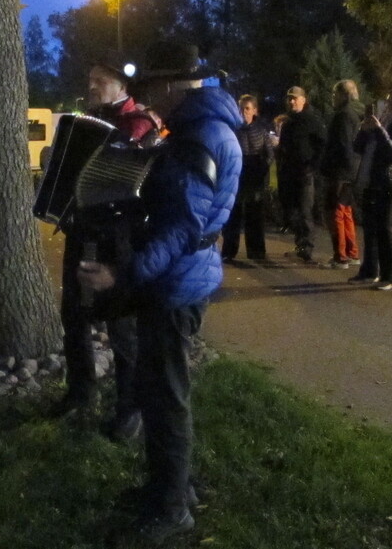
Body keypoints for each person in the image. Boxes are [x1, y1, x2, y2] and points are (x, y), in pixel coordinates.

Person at [78, 40, 242, 542]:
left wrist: (123, 275)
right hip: (184, 277)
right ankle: (171, 488)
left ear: (174, 85)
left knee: (166, 397)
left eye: (152, 87)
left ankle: (172, 510)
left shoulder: (198, 139)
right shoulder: (203, 130)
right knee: (159, 389)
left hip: (176, 284)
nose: (148, 98)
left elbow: (181, 228)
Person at [56, 52, 159, 440]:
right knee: (74, 314)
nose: (92, 85)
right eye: (91, 78)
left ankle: (130, 409)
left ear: (121, 85)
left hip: (117, 239)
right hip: (81, 231)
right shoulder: (87, 121)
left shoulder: (140, 124)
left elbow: (130, 181)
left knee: (121, 325)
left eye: (100, 79)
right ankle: (81, 391)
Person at [350, 89, 392, 290]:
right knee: (369, 228)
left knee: (383, 229)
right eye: (386, 102)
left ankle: (390, 276)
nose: (387, 106)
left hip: (386, 183)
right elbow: (357, 148)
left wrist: (379, 129)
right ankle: (369, 271)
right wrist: (364, 129)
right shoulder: (381, 124)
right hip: (370, 180)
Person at [221, 94, 276, 262]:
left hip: (256, 177)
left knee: (255, 215)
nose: (243, 112)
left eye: (247, 109)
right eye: (241, 109)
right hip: (237, 176)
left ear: (254, 110)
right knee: (233, 216)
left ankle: (257, 251)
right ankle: (229, 251)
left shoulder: (261, 130)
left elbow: (269, 153)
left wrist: (262, 167)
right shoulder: (232, 130)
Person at [276, 86, 326, 262]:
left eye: (295, 98)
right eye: (289, 98)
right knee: (293, 211)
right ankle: (300, 244)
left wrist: (313, 165)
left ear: (304, 100)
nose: (291, 102)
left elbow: (322, 144)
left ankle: (307, 248)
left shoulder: (312, 120)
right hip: (290, 173)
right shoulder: (289, 122)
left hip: (305, 173)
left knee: (305, 211)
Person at [320, 80, 364, 269]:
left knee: (335, 213)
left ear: (343, 95)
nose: (332, 97)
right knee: (346, 212)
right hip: (351, 171)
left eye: (334, 94)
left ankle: (341, 256)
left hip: (340, 172)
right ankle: (352, 253)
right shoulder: (354, 113)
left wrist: (340, 171)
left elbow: (344, 145)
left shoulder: (343, 116)